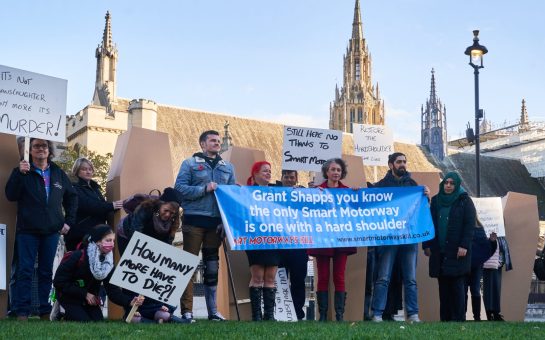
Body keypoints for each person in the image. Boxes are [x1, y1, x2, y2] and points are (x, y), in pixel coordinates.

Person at [5, 138, 78, 321]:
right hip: (27, 230)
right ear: (29, 150)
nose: (41, 149)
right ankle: (22, 311)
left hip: (51, 232)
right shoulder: (22, 170)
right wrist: (20, 174)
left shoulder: (58, 173)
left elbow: (72, 197)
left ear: (49, 150)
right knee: (25, 271)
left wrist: (68, 221)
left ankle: (44, 311)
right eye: (36, 146)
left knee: (46, 272)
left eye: (44, 146)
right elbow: (10, 195)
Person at [174, 130, 236, 322]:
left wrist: (226, 223)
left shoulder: (228, 167)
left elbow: (231, 196)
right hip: (194, 221)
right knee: (189, 266)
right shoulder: (190, 164)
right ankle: (187, 311)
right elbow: (180, 189)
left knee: (211, 267)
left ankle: (213, 311)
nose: (217, 143)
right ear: (202, 144)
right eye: (212, 140)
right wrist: (204, 188)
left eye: (218, 141)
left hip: (215, 224)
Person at [371, 152, 428, 323]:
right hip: (388, 239)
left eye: (404, 161)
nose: (402, 164)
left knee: (410, 279)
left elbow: (422, 208)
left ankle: (413, 314)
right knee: (383, 277)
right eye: (398, 162)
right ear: (390, 165)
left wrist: (426, 196)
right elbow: (370, 204)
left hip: (409, 238)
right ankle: (377, 314)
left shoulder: (413, 185)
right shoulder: (380, 186)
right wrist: (360, 192)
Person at [118, 188, 188, 323]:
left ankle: (155, 310)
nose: (168, 215)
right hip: (128, 236)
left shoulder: (173, 220)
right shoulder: (145, 209)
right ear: (161, 204)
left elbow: (168, 242)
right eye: (166, 210)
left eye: (172, 213)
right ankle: (130, 312)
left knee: (155, 273)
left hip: (152, 242)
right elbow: (135, 233)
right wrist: (144, 255)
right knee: (132, 271)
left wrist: (162, 259)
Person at [53, 225, 144, 321]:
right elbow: (59, 282)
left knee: (98, 322)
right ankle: (62, 313)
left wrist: (130, 301)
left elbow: (112, 291)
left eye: (113, 240)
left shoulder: (108, 263)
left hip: (90, 300)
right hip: (69, 297)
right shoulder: (77, 256)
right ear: (97, 241)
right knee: (83, 321)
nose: (112, 244)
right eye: (108, 240)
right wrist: (84, 294)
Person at [308, 158, 357, 322]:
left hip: (341, 240)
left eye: (338, 170)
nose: (336, 172)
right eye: (333, 169)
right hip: (322, 238)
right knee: (322, 277)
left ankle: (340, 316)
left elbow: (357, 211)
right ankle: (322, 316)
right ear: (326, 172)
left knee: (339, 276)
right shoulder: (317, 191)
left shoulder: (348, 192)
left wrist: (357, 196)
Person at [423, 172, 475, 322]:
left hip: (458, 252)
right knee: (443, 288)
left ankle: (458, 320)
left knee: (458, 288)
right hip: (440, 252)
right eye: (446, 182)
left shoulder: (465, 201)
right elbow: (429, 224)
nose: (448, 185)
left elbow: (469, 225)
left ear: (457, 184)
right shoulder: (436, 201)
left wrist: (464, 245)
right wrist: (427, 245)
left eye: (452, 183)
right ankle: (444, 320)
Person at [246, 161, 281, 321]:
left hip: (274, 239)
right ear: (255, 174)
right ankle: (256, 316)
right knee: (258, 276)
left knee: (270, 277)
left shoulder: (278, 192)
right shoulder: (245, 193)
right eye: (265, 171)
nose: (268, 173)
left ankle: (269, 315)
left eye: (270, 171)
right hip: (256, 238)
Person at [65, 157, 123, 251]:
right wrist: (112, 205)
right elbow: (88, 205)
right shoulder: (74, 187)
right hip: (80, 235)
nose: (88, 172)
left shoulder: (95, 188)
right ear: (77, 171)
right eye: (84, 169)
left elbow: (102, 206)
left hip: (95, 233)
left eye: (90, 169)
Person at [277, 169, 308, 321]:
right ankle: (283, 313)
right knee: (280, 279)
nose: (289, 180)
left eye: (292, 177)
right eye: (286, 177)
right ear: (281, 178)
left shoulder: (303, 193)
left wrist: (308, 191)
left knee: (298, 281)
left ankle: (297, 312)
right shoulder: (273, 192)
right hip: (280, 245)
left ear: (296, 179)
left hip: (298, 245)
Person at [465, 219, 497, 321]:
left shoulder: (476, 228)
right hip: (475, 264)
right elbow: (486, 248)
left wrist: (492, 242)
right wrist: (491, 243)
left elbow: (486, 247)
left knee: (466, 290)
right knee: (473, 290)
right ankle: (476, 317)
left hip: (468, 263)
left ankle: (466, 315)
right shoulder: (480, 228)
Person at [482, 235, 512, 321]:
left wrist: (501, 261)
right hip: (485, 265)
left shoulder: (500, 236)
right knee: (487, 289)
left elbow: (503, 249)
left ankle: (494, 312)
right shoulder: (487, 233)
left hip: (495, 265)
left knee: (495, 289)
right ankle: (488, 312)